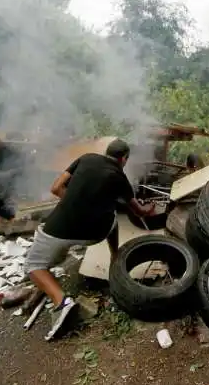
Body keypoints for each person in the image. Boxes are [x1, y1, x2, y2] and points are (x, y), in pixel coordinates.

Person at [23, 138, 156, 340]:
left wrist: (74, 203)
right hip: (95, 233)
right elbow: (139, 212)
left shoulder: (85, 159)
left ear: (106, 152)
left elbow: (56, 188)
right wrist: (150, 208)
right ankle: (115, 258)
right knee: (112, 221)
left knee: (34, 265)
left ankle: (62, 301)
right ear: (124, 158)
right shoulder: (120, 177)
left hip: (60, 229)